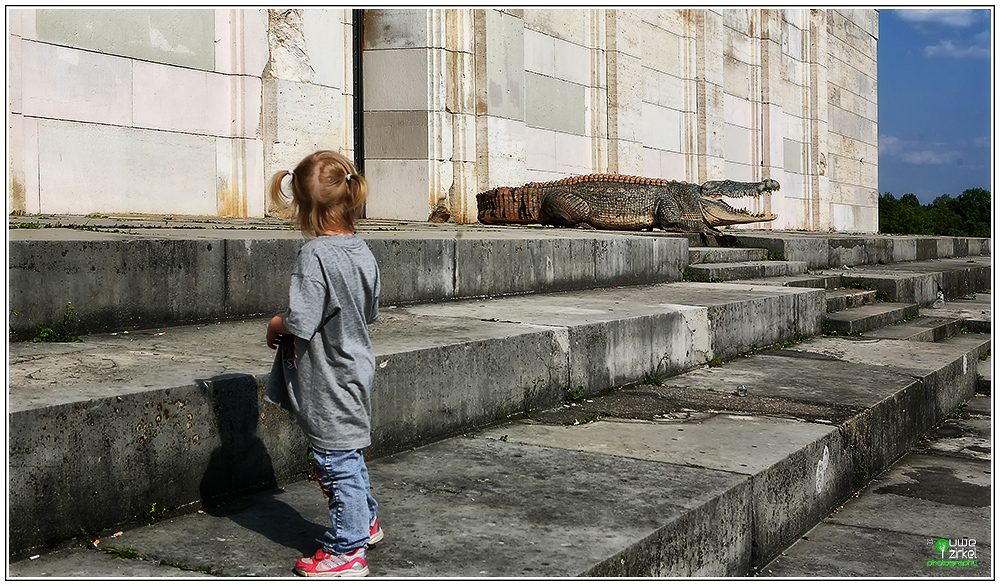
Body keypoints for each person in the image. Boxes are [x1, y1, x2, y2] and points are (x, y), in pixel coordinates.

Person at [265, 150, 383, 578]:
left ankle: (347, 550)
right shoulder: (362, 251)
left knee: (335, 461)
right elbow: (369, 312)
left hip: (328, 375)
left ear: (302, 207)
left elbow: (301, 320)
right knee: (346, 452)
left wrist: (276, 323)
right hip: (355, 365)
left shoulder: (314, 256)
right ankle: (364, 521)